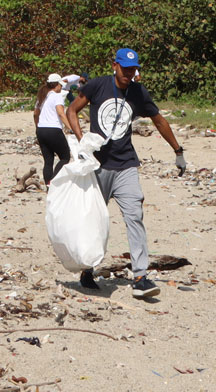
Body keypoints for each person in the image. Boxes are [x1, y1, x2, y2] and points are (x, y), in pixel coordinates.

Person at [65, 48, 186, 298]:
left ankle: (140, 276)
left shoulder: (138, 92)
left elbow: (159, 120)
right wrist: (82, 142)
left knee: (135, 216)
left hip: (127, 165)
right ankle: (88, 269)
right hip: (98, 166)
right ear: (115, 66)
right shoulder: (97, 86)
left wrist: (178, 150)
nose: (128, 74)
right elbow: (72, 111)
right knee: (94, 220)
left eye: (132, 69)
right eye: (124, 69)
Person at [33, 73, 71, 185]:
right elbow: (61, 113)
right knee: (65, 157)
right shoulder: (56, 96)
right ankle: (54, 181)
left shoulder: (42, 96)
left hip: (41, 130)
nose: (61, 88)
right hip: (53, 130)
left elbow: (35, 114)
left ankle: (48, 184)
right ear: (57, 85)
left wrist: (37, 127)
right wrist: (70, 127)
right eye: (61, 85)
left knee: (48, 161)